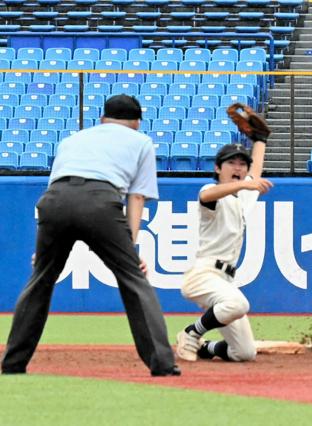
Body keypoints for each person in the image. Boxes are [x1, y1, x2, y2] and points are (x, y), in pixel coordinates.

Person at [1, 94, 180, 377]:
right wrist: (130, 248)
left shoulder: (72, 140)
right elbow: (136, 197)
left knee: (41, 281)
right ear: (136, 123)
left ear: (102, 119)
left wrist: (43, 247)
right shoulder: (141, 141)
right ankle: (162, 362)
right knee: (133, 281)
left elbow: (55, 191)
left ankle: (12, 363)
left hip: (55, 202)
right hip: (100, 200)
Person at [175, 136, 272, 363]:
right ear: (218, 168)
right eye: (231, 163)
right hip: (203, 274)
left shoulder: (242, 197)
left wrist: (261, 140)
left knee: (244, 352)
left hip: (224, 279)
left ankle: (204, 348)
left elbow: (254, 173)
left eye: (242, 164)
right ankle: (191, 333)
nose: (238, 168)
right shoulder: (213, 190)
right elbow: (205, 196)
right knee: (239, 304)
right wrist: (244, 183)